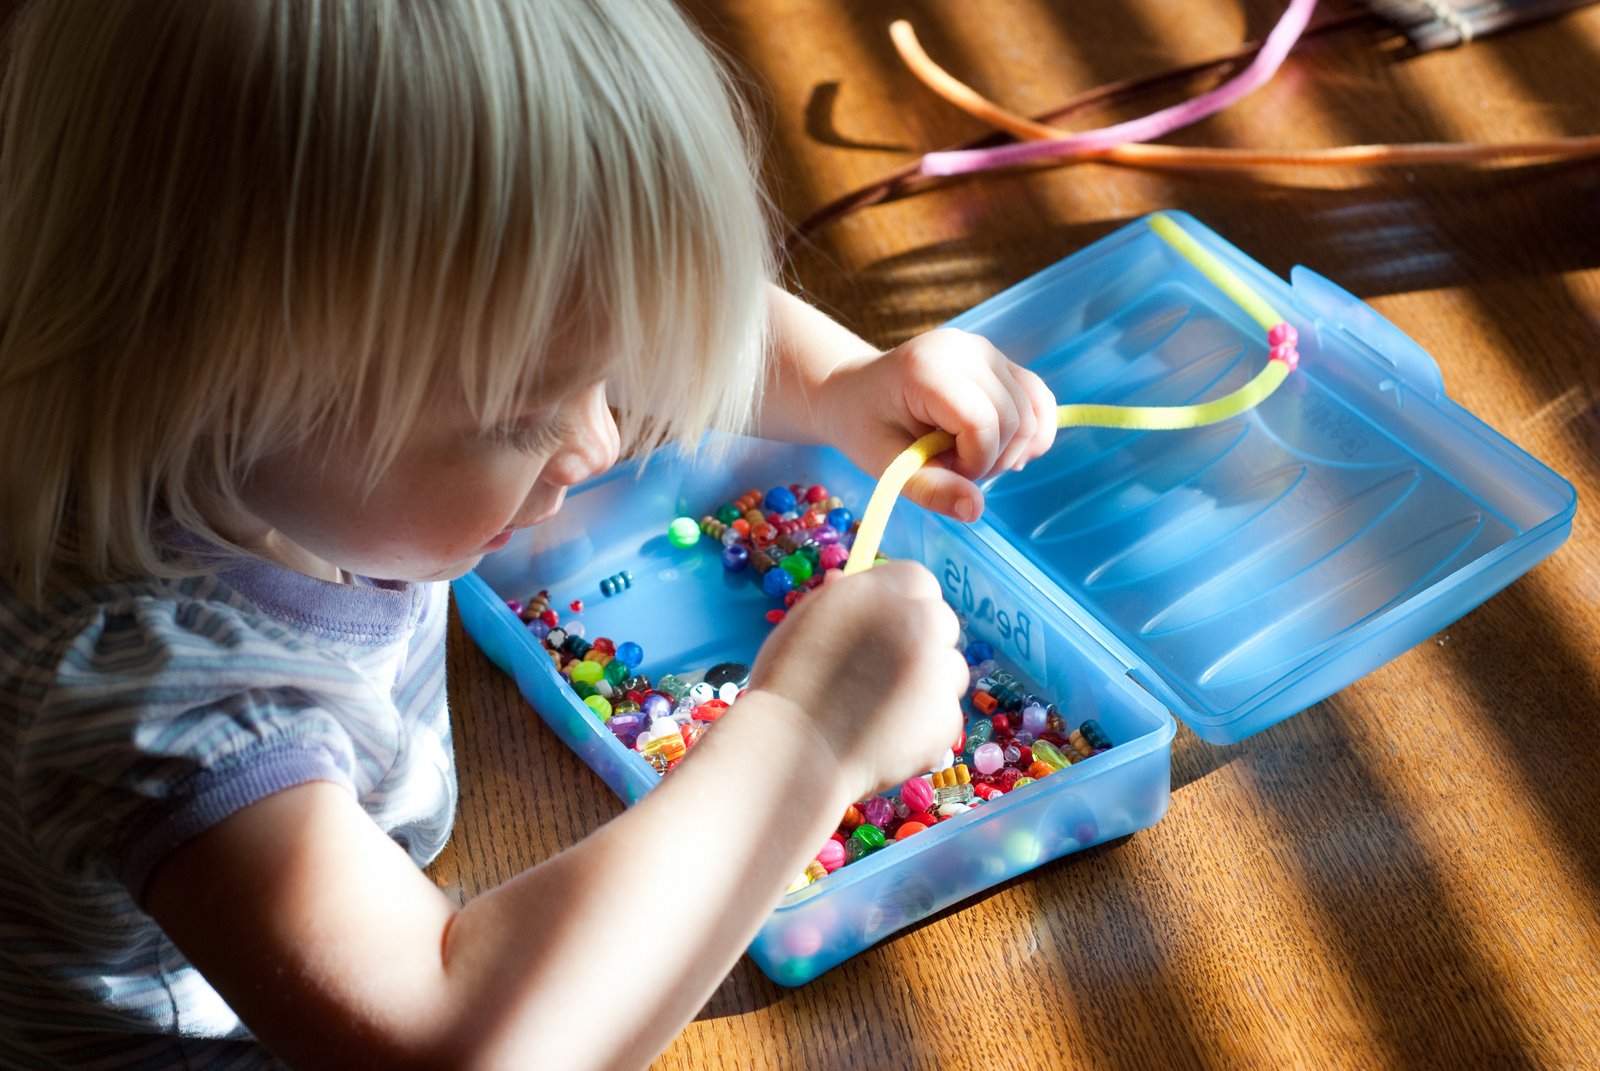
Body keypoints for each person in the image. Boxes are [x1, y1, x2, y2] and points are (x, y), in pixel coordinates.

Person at [0, 1, 1057, 1067]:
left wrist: (839, 384)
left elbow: (582, 314)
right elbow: (459, 1042)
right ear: (217, 380)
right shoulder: (161, 690)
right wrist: (809, 737)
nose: (602, 438)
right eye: (518, 416)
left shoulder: (279, 422)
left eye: (606, 372)